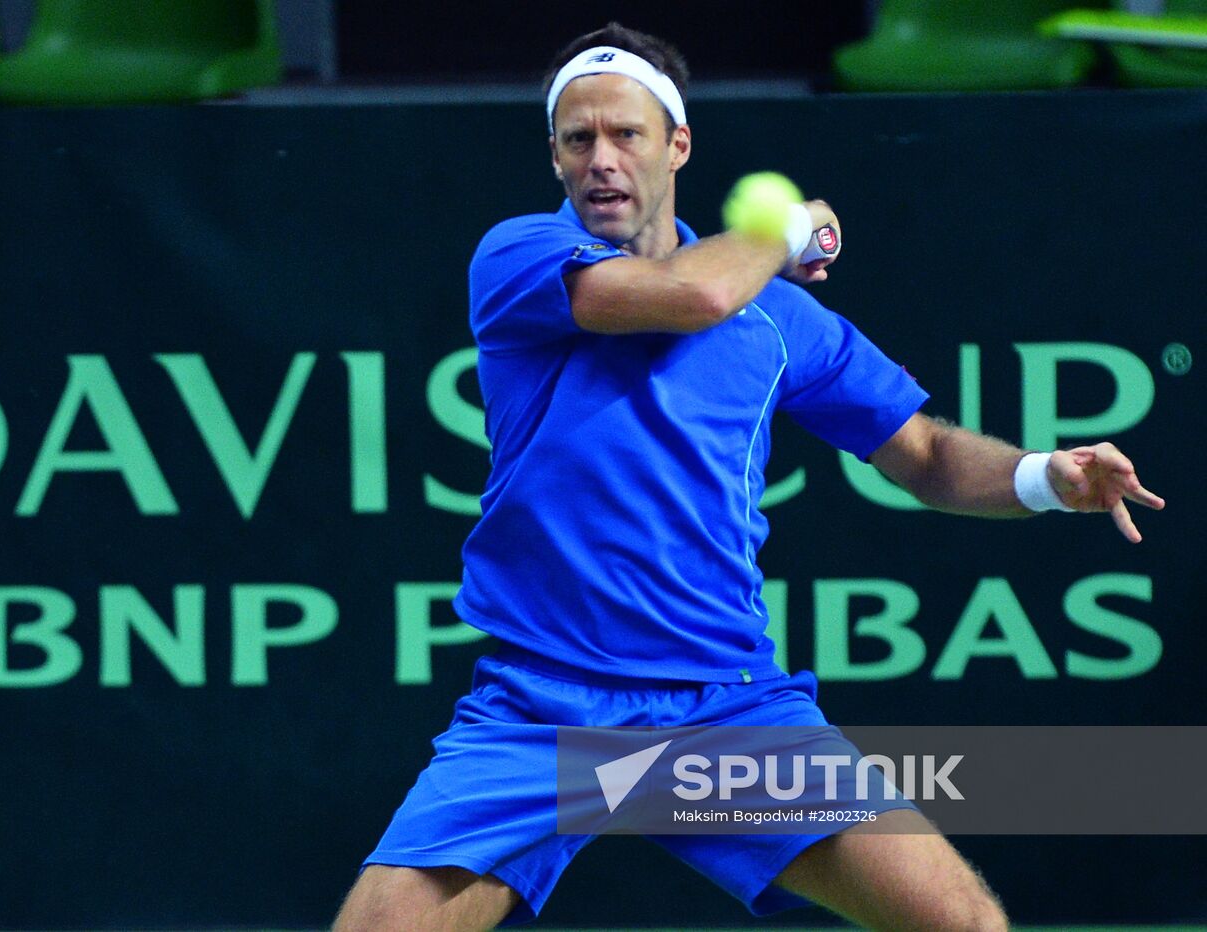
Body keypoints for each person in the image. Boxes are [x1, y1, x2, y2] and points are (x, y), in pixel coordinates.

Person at [333, 22, 1165, 932]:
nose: (602, 160)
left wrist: (1047, 475)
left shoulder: (780, 319)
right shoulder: (520, 256)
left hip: (724, 709)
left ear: (677, 145)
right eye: (579, 140)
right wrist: (787, 225)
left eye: (627, 135)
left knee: (964, 925)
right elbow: (696, 296)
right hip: (543, 708)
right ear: (555, 158)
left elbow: (924, 453)